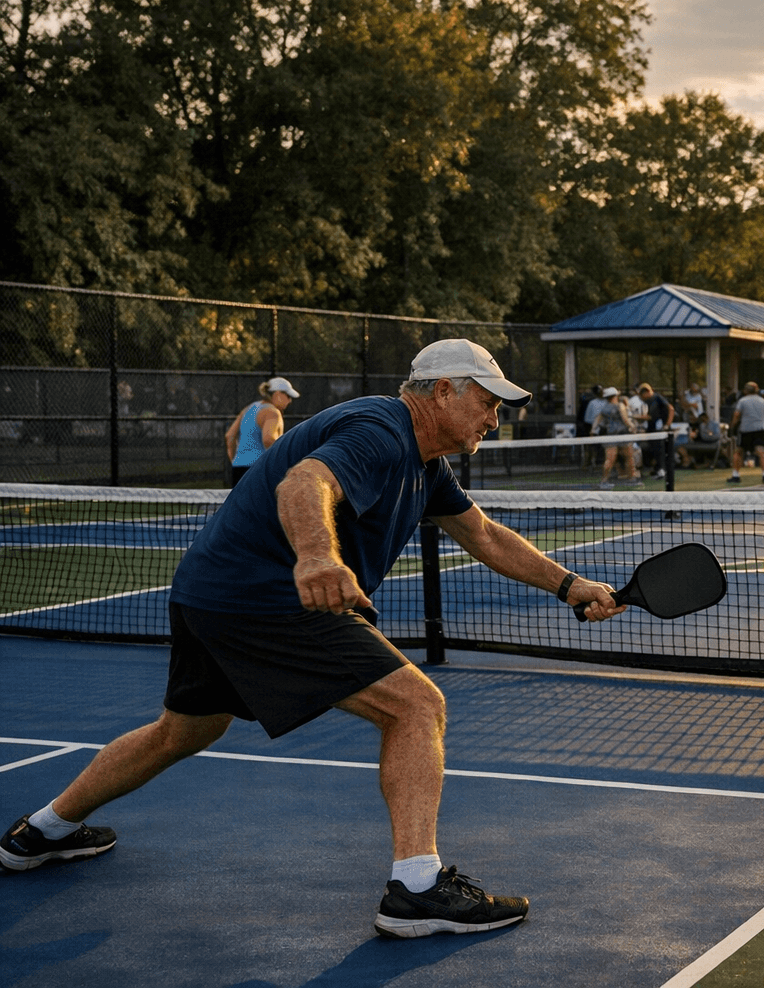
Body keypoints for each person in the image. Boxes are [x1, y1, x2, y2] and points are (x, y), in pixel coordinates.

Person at [0, 339, 625, 938]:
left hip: (208, 592)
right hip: (268, 595)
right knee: (416, 706)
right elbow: (304, 483)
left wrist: (569, 585)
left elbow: (484, 535)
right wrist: (318, 557)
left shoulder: (426, 462)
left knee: (186, 729)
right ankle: (416, 889)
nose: (495, 417)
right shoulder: (381, 430)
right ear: (441, 392)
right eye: (488, 402)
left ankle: (41, 831)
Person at [225, 377, 300, 485]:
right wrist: (284, 462)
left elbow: (230, 436)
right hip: (260, 470)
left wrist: (236, 461)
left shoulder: (249, 408)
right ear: (277, 394)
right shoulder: (272, 412)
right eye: (288, 396)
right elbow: (268, 439)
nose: (289, 401)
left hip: (238, 470)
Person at [728, 381, 764, 484]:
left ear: (746, 391)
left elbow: (737, 414)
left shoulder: (742, 401)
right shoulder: (763, 401)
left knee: (738, 452)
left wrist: (732, 426)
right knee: (761, 452)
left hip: (746, 430)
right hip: (760, 429)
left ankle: (735, 475)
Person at [593, 387, 641, 489]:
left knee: (609, 459)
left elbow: (598, 419)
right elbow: (625, 420)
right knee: (629, 457)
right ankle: (631, 479)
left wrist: (593, 430)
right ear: (615, 396)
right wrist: (633, 427)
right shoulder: (620, 405)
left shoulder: (604, 408)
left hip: (610, 434)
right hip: (623, 434)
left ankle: (604, 481)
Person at [637, 383, 675, 478]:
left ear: (646, 392)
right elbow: (649, 417)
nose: (641, 397)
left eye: (642, 394)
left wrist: (667, 424)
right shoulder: (647, 402)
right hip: (652, 430)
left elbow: (671, 409)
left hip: (660, 430)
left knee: (660, 450)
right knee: (653, 449)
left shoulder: (657, 397)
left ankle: (662, 471)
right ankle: (657, 469)